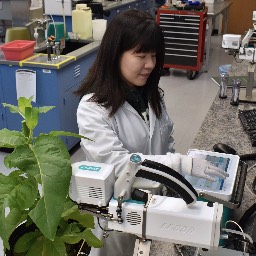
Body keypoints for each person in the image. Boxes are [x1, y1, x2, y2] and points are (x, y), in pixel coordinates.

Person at [76, 9, 228, 256]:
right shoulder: (93, 109)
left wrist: (179, 181)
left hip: (160, 209)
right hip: (121, 218)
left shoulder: (151, 95)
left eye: (154, 55)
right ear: (115, 54)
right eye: (141, 55)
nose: (150, 65)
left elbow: (165, 142)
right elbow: (118, 166)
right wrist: (179, 164)